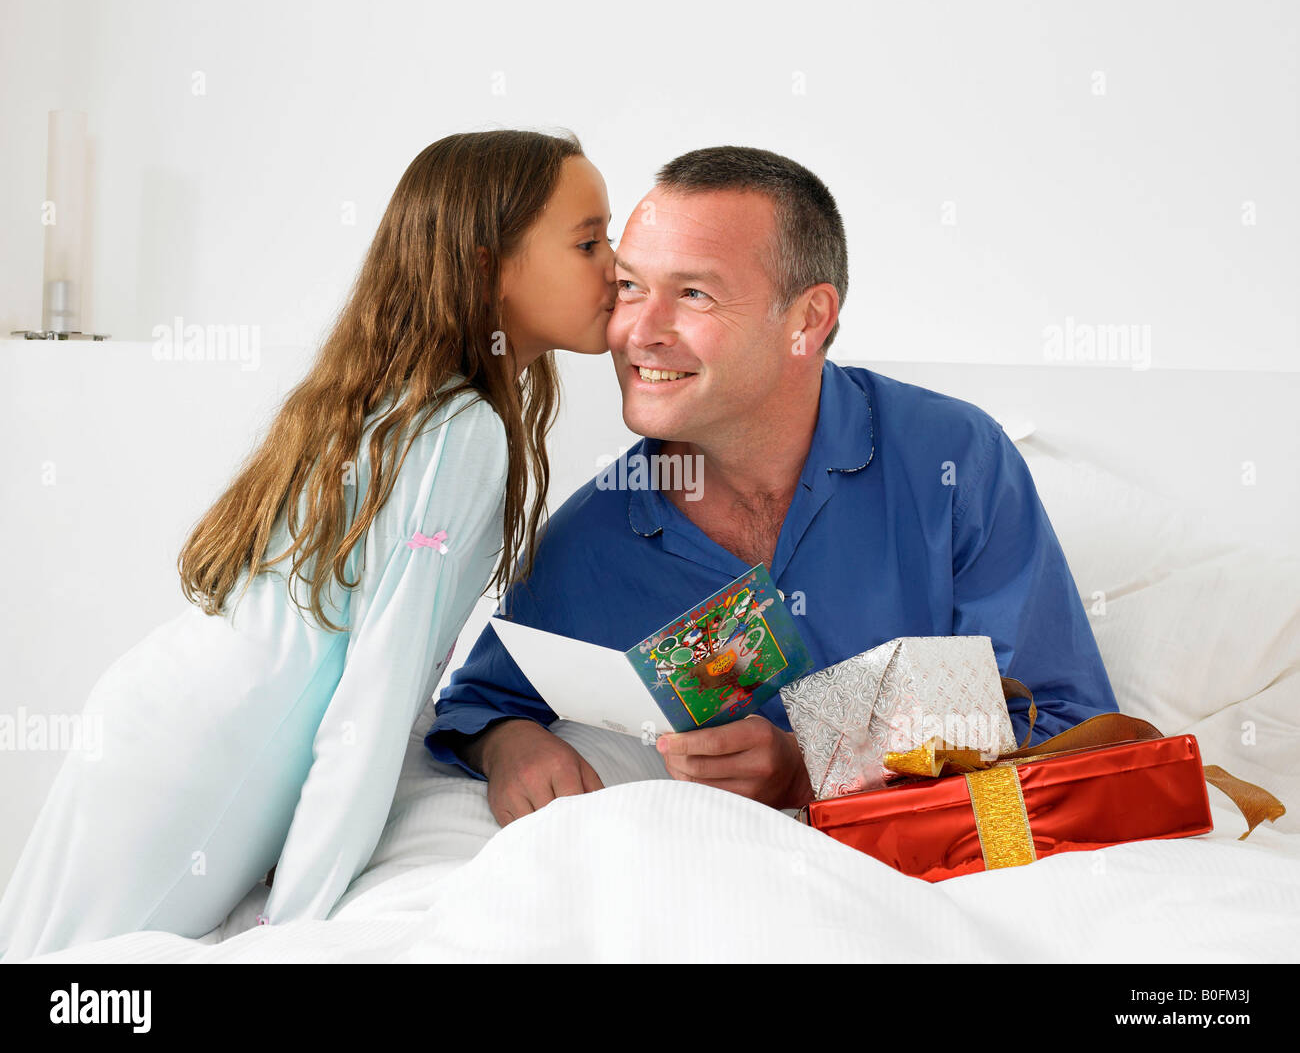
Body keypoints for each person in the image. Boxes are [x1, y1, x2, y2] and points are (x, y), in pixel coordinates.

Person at [0, 128, 616, 960]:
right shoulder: (457, 428)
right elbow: (373, 698)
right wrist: (296, 931)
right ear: (488, 265)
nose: (615, 267)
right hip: (198, 759)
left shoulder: (420, 405)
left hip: (164, 723)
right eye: (589, 242)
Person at [425, 144, 1120, 828]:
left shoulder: (957, 461)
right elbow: (478, 699)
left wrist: (812, 757)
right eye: (631, 286)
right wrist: (508, 744)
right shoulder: (590, 539)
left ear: (807, 320)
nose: (639, 330)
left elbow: (1059, 717)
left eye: (694, 293)